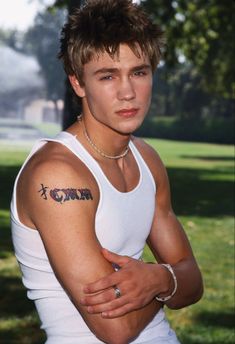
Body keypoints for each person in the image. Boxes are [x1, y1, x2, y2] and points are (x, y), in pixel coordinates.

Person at [11, 0, 203, 343]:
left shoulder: (147, 159)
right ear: (78, 83)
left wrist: (158, 279)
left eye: (139, 72)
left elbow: (195, 283)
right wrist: (169, 280)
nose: (128, 92)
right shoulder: (56, 173)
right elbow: (116, 328)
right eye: (108, 76)